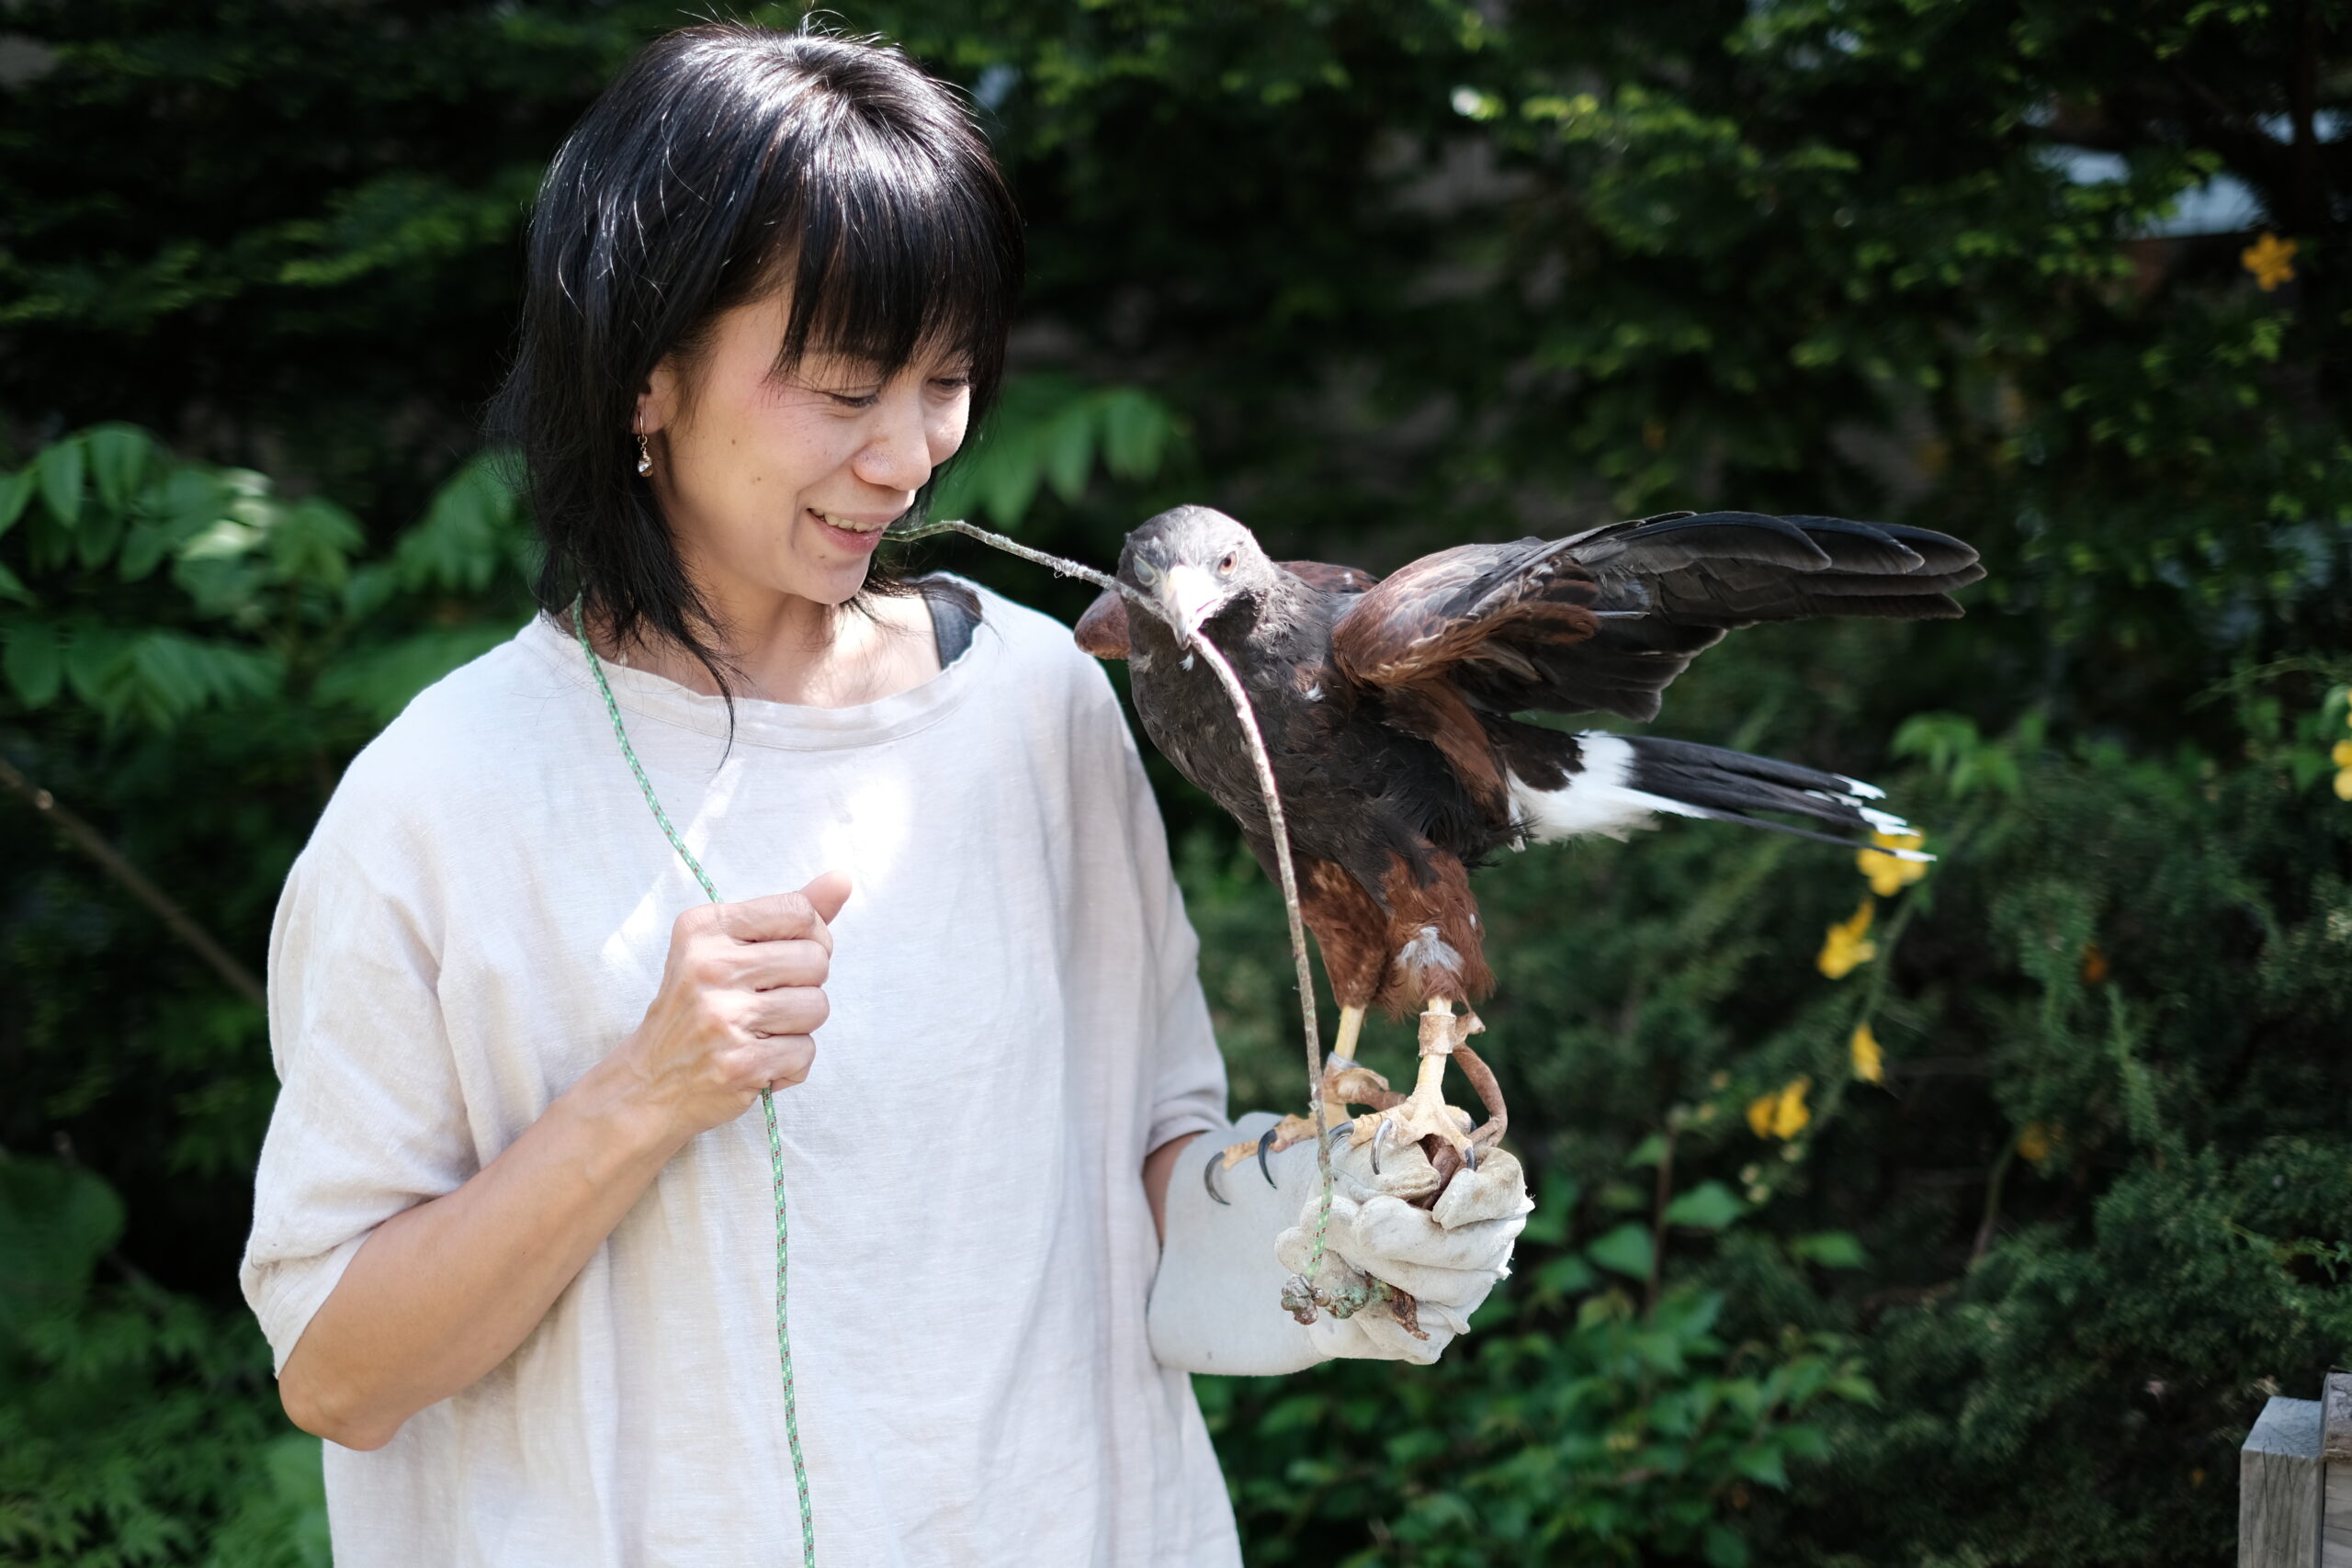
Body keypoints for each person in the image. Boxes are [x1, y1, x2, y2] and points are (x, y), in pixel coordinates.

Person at [239, 23, 1528, 1566]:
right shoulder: (443, 800)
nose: (908, 457)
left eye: (948, 382)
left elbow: (1147, 1176)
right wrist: (641, 1096)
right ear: (645, 378)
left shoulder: (1040, 703)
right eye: (847, 387)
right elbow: (340, 1370)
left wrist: (1348, 1217)